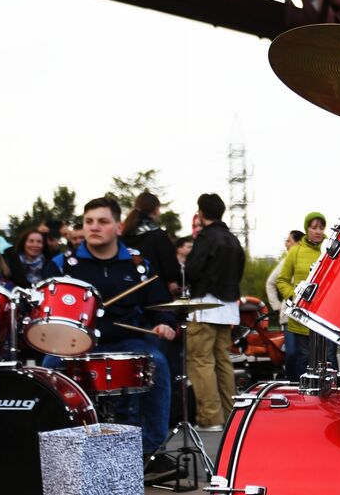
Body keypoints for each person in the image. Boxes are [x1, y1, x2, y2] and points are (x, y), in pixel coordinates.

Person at [45, 197, 176, 454]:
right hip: (75, 343)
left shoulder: (138, 265)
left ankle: (149, 448)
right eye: (89, 221)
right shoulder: (63, 266)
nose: (94, 227)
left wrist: (164, 323)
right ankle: (54, 446)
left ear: (119, 227)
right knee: (50, 367)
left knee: (158, 362)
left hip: (127, 340)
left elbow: (160, 305)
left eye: (103, 221)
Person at [184, 194, 246, 431]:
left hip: (204, 304)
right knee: (223, 361)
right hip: (228, 307)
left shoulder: (205, 238)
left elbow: (193, 270)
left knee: (201, 361)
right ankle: (230, 415)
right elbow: (239, 271)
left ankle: (210, 418)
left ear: (201, 212)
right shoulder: (233, 240)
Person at [274, 212, 334, 381]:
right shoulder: (296, 251)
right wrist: (294, 296)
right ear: (307, 229)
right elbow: (282, 280)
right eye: (314, 227)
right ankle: (302, 394)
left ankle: (331, 393)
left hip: (326, 315)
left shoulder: (331, 249)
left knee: (328, 359)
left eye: (321, 227)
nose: (318, 231)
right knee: (304, 358)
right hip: (302, 315)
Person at [121, 192, 182, 297]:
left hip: (127, 292)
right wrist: (175, 281)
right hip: (156, 293)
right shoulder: (158, 236)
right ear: (156, 209)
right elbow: (171, 268)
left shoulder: (123, 235)